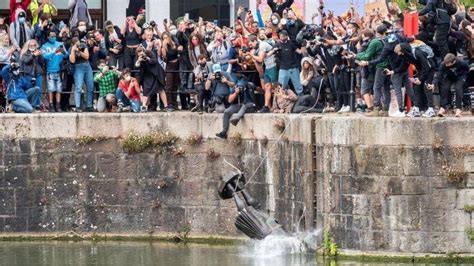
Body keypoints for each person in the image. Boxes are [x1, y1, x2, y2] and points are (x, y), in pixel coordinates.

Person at [394, 43, 437, 117]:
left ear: (403, 50)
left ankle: (431, 109)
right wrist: (393, 71)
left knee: (427, 87)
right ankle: (417, 108)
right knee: (417, 87)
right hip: (421, 70)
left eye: (399, 52)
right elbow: (404, 66)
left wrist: (420, 79)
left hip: (429, 69)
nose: (399, 54)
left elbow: (426, 67)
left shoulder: (417, 53)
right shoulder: (406, 56)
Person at [356, 27, 390, 117]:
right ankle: (385, 110)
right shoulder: (382, 41)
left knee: (376, 88)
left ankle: (375, 110)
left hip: (379, 66)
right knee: (385, 89)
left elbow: (367, 55)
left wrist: (356, 55)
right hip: (387, 67)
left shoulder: (374, 42)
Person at [135, 46, 171, 112]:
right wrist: (139, 61)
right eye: (139, 52)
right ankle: (143, 107)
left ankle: (166, 106)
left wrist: (147, 58)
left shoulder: (149, 52)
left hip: (156, 74)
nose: (141, 53)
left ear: (144, 50)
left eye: (141, 51)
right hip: (147, 75)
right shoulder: (138, 58)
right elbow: (137, 67)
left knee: (161, 90)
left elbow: (154, 61)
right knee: (146, 91)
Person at [248, 34, 277, 113]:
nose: (250, 46)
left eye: (250, 44)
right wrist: (253, 59)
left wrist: (251, 55)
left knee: (275, 88)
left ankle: (276, 106)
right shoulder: (257, 48)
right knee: (267, 87)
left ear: (254, 41)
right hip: (267, 68)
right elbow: (260, 68)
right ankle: (267, 107)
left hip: (273, 66)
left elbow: (260, 59)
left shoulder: (262, 44)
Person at [42, 30, 68, 112]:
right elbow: (44, 56)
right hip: (50, 71)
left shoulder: (60, 44)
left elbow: (66, 55)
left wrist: (63, 51)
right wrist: (54, 52)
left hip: (60, 71)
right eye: (51, 36)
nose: (53, 37)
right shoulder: (44, 46)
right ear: (48, 37)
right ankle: (51, 105)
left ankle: (58, 105)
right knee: (51, 89)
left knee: (59, 89)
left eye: (55, 36)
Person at [274, 30, 303, 97]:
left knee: (298, 87)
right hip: (283, 68)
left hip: (293, 67)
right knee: (281, 87)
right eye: (281, 36)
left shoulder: (291, 43)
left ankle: (302, 101)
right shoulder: (277, 45)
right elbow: (270, 53)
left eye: (284, 36)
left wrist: (304, 46)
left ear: (287, 36)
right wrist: (274, 51)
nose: (283, 37)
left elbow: (299, 51)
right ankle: (281, 101)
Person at [69, 37, 94, 112]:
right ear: (72, 44)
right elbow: (72, 61)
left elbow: (87, 56)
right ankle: (78, 106)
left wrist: (79, 52)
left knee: (90, 86)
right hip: (78, 67)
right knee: (78, 87)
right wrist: (73, 51)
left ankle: (89, 106)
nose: (78, 44)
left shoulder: (83, 45)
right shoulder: (70, 49)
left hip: (87, 66)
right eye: (76, 43)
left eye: (78, 41)